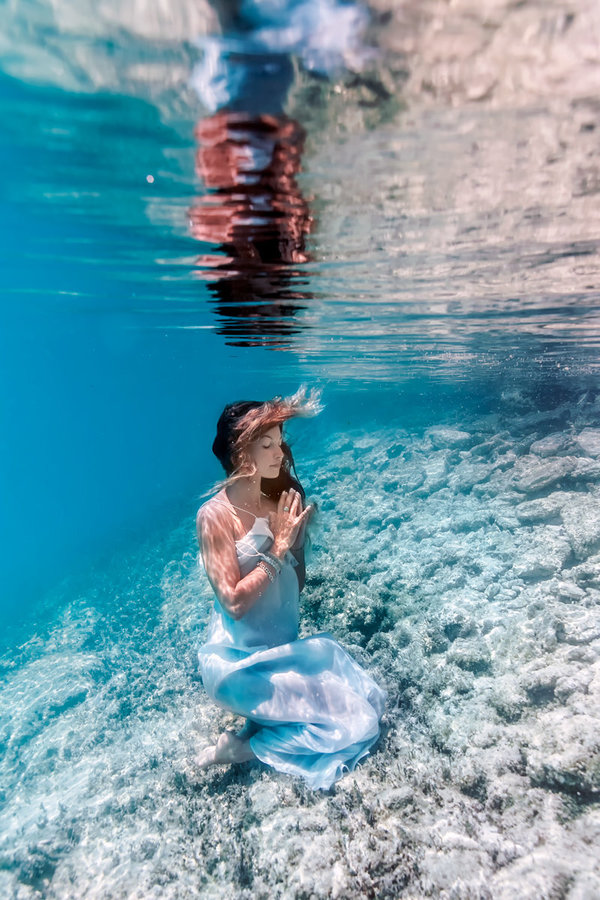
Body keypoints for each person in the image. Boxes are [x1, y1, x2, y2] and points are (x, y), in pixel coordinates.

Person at [195, 386, 386, 790]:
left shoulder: (284, 496)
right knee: (358, 724)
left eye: (280, 442)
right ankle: (242, 749)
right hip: (238, 665)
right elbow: (233, 603)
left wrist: (298, 541)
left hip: (283, 650)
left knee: (368, 701)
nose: (279, 453)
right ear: (239, 453)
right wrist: (278, 549)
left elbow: (294, 585)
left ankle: (259, 722)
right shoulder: (214, 516)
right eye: (266, 444)